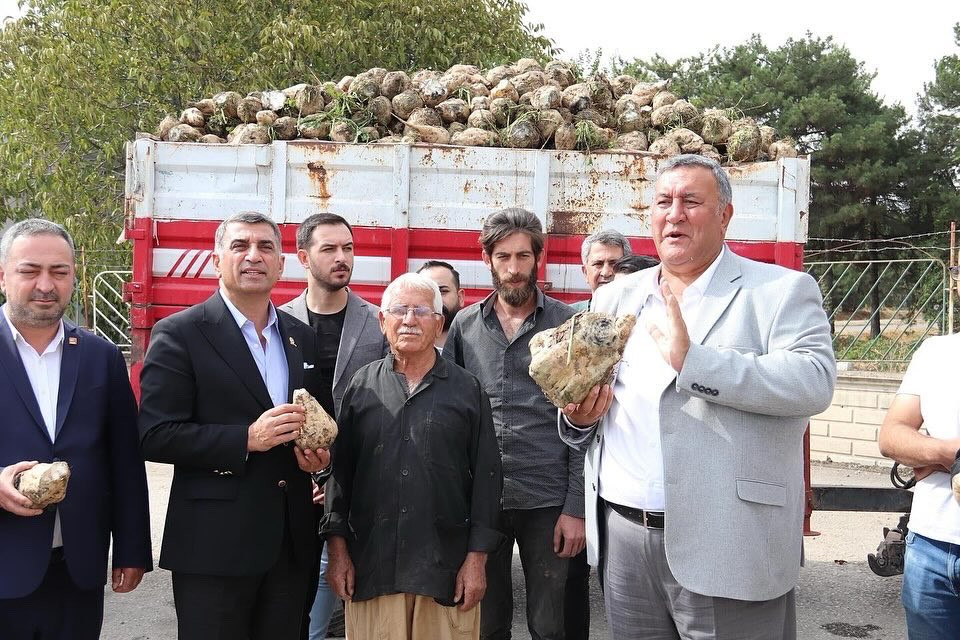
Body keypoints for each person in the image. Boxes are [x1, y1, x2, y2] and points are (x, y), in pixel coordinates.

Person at [559, 154, 836, 639]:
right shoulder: (614, 297)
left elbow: (812, 381)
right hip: (624, 539)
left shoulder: (779, 290)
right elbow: (590, 396)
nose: (675, 213)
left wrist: (696, 363)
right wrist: (579, 418)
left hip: (729, 541)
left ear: (725, 214)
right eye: (664, 201)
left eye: (691, 201)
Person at [138, 211, 331, 640]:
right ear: (216, 259)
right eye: (240, 246)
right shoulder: (179, 334)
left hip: (291, 542)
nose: (253, 256)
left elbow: (316, 419)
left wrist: (317, 457)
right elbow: (154, 435)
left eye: (266, 247)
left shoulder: (302, 336)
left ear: (282, 264)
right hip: (214, 547)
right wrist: (246, 439)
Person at [323, 273, 502, 640]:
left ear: (439, 323)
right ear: (382, 320)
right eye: (400, 310)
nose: (409, 319)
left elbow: (487, 479)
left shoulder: (467, 389)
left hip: (444, 571)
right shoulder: (361, 386)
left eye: (421, 311)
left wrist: (476, 560)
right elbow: (340, 479)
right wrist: (338, 552)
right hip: (373, 567)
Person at [0, 218, 152, 639]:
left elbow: (124, 460)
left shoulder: (99, 356)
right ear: (2, 276)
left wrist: (132, 550)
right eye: (30, 271)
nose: (46, 285)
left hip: (76, 571)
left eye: (59, 272)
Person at [444, 208, 585, 640]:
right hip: (482, 498)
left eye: (523, 256)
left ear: (537, 259)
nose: (514, 268)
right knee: (486, 623)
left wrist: (575, 508)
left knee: (550, 624)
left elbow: (586, 421)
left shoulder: (567, 325)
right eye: (503, 256)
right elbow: (448, 416)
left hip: (548, 497)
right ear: (486, 258)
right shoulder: (465, 327)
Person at [280, 212, 388, 640]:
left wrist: (343, 479)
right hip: (293, 486)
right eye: (329, 249)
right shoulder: (277, 323)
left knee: (358, 611)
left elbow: (388, 413)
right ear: (303, 257)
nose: (342, 257)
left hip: (359, 489)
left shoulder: (377, 322)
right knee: (298, 612)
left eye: (348, 248)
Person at [878, 263, 960, 639]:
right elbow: (891, 436)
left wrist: (926, 454)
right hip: (929, 548)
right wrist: (946, 452)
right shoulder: (937, 352)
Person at [570, 229, 632, 312]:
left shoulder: (643, 316)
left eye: (613, 264)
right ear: (585, 273)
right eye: (598, 264)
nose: (606, 273)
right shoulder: (567, 316)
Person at [417, 260, 465, 349]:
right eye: (427, 292)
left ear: (460, 297)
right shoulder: (397, 348)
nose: (436, 300)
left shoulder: (479, 346)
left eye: (443, 291)